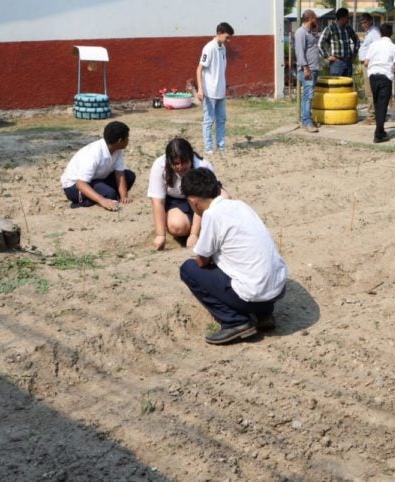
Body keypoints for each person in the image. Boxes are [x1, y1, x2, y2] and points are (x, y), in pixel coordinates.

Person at [179, 168, 288, 345]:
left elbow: (201, 260)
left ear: (193, 201)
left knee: (189, 269)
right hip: (277, 291)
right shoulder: (240, 205)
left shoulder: (212, 215)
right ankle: (264, 314)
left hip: (254, 295)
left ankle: (235, 321)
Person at [147, 138, 216, 250]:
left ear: (191, 157)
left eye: (184, 162)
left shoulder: (202, 167)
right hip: (176, 200)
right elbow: (157, 202)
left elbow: (202, 201)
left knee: (224, 196)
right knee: (177, 227)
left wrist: (194, 234)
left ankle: (200, 227)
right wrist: (160, 235)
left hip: (202, 200)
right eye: (176, 164)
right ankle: (199, 225)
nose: (180, 167)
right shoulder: (159, 166)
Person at [61, 121, 135, 211]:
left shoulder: (117, 149)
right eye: (127, 138)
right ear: (120, 141)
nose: (128, 140)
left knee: (129, 176)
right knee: (110, 194)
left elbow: (119, 174)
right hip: (74, 187)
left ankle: (109, 196)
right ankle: (81, 203)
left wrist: (124, 197)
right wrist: (102, 200)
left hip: (96, 180)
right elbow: (81, 184)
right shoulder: (93, 154)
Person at [197, 22, 234, 155]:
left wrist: (226, 84)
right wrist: (200, 89)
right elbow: (199, 68)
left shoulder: (222, 48)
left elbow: (220, 69)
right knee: (208, 120)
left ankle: (221, 145)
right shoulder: (209, 48)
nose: (228, 40)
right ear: (219, 33)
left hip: (220, 91)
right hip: (210, 91)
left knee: (221, 119)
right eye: (227, 37)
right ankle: (208, 147)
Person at [364, 23, 395, 143]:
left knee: (376, 103)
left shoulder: (373, 45)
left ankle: (380, 131)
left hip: (373, 76)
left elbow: (366, 63)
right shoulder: (394, 47)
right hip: (385, 77)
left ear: (380, 33)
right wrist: (393, 74)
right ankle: (378, 134)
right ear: (391, 34)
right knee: (382, 106)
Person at [295, 9, 321, 133]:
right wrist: (305, 68)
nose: (317, 20)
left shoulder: (310, 32)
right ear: (311, 19)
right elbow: (300, 52)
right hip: (308, 70)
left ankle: (307, 118)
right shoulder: (301, 33)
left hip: (313, 69)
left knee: (309, 96)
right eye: (315, 18)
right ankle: (306, 122)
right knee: (308, 96)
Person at [318, 7, 359, 77]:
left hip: (348, 62)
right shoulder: (330, 28)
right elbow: (319, 44)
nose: (348, 19)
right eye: (347, 17)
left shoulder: (348, 28)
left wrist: (355, 53)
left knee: (348, 86)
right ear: (342, 18)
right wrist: (327, 56)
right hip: (336, 63)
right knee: (336, 86)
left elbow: (357, 40)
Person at [358, 13, 381, 124]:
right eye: (362, 23)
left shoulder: (374, 33)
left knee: (370, 91)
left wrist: (369, 60)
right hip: (367, 64)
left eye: (365, 22)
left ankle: (372, 116)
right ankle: (373, 115)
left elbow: (377, 48)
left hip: (370, 64)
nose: (363, 25)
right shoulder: (370, 32)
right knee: (370, 90)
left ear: (371, 21)